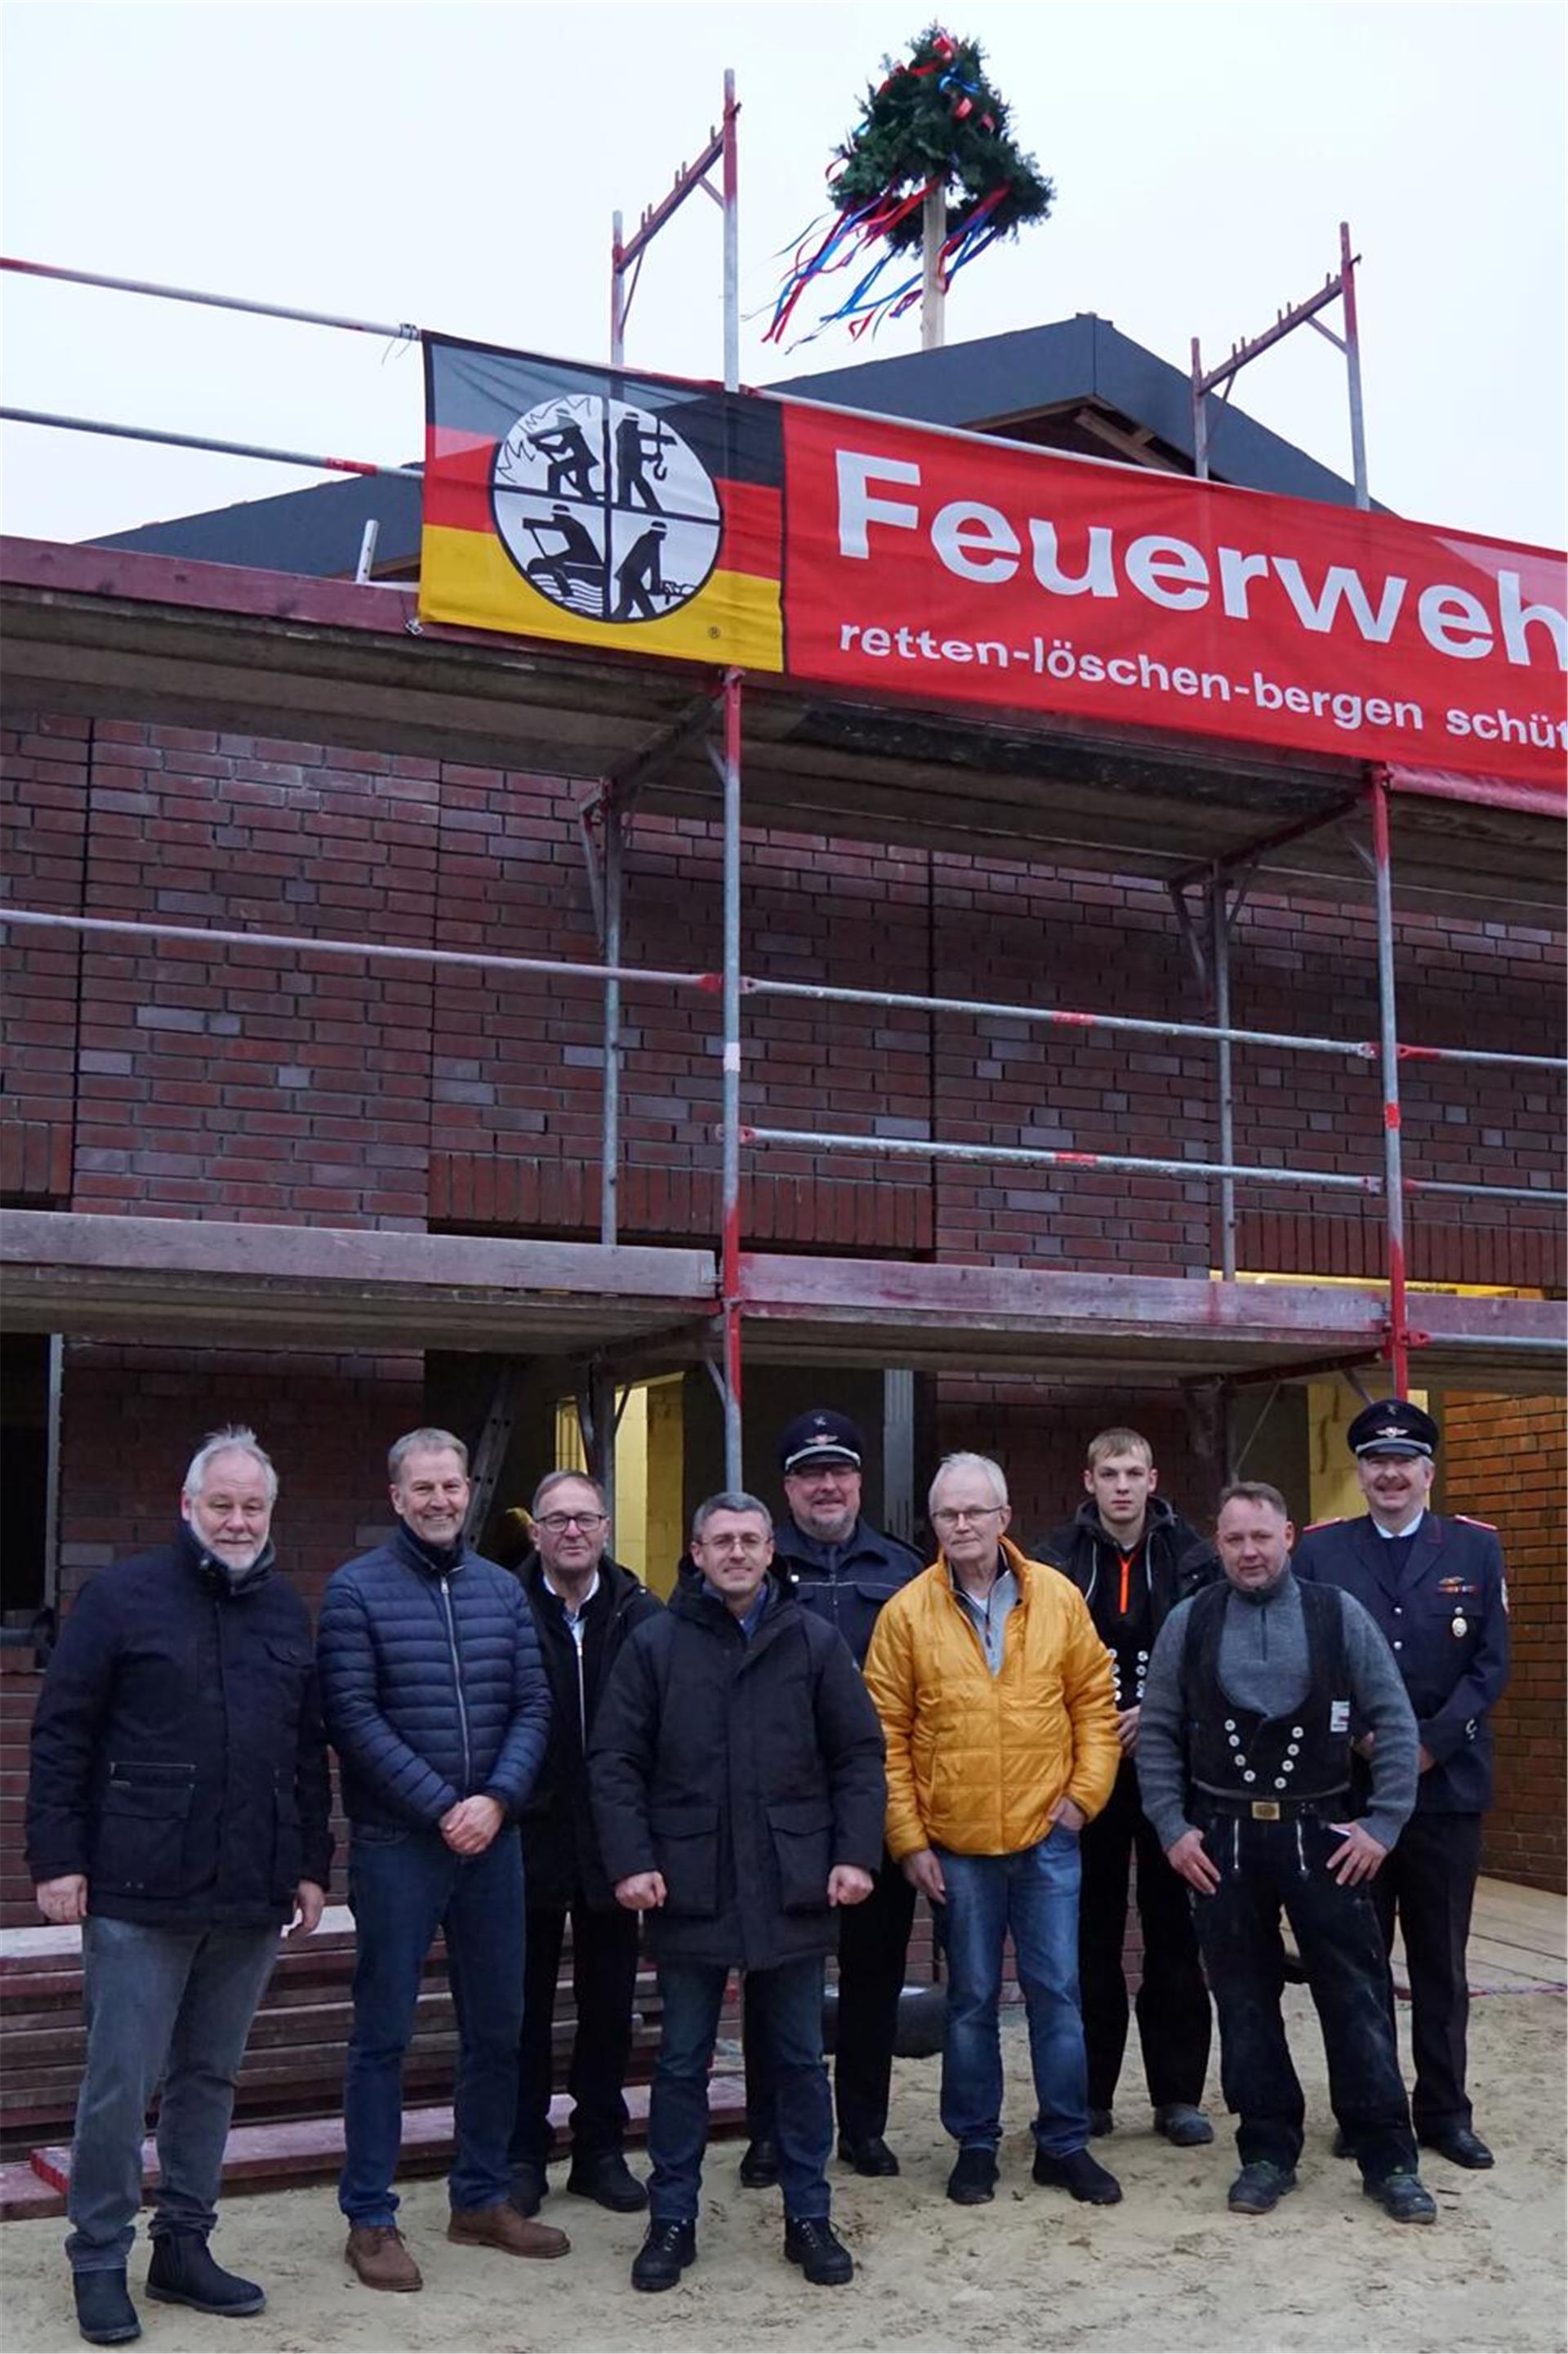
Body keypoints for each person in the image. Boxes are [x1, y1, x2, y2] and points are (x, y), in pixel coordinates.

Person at [26, 1426, 332, 2348]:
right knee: (122, 2081)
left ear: (270, 1514)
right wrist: (57, 1860)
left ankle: (184, 2245)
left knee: (211, 2078)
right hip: (134, 1889)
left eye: (253, 1505)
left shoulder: (285, 1611)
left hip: (250, 1891)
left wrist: (313, 1862)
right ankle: (98, 2257)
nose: (237, 1518)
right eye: (221, 1502)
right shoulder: (119, 1598)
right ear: (187, 1506)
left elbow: (305, 1753)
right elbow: (61, 1735)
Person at [590, 1492, 886, 2294]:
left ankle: (809, 2215)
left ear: (769, 1548)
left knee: (795, 2060)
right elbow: (615, 1760)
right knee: (682, 2060)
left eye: (750, 1538)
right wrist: (631, 1859)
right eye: (721, 1539)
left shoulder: (814, 1641)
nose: (737, 1551)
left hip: (792, 1879)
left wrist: (856, 1853)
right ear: (696, 1549)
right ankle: (672, 2217)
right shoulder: (654, 1643)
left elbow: (860, 1755)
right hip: (689, 1881)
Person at [1136, 1481, 1437, 2223]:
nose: (1247, 1552)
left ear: (1288, 1537)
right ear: (1220, 1542)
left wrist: (1385, 1823)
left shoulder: (1339, 1616)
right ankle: (1267, 2150)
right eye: (1234, 1539)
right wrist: (1172, 1829)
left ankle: (1387, 2156)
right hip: (1223, 1838)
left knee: (1357, 1996)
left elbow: (1395, 1720)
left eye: (1260, 1538)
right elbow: (1157, 1732)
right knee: (1242, 2002)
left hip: (1324, 1835)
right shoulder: (1190, 1621)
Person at [318, 1428, 564, 2292]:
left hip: (493, 1841)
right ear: (395, 1496)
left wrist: (494, 1800)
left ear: (470, 1490)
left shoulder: (504, 1591)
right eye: (421, 1487)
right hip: (399, 1844)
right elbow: (351, 1715)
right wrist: (441, 1804)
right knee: (383, 2033)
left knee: (497, 2027)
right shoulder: (355, 1591)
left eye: (451, 1485)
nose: (439, 1499)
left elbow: (535, 1703)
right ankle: (371, 2216)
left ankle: (480, 2195)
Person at [864, 1451, 1122, 2209]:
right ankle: (975, 2144)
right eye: (948, 1514)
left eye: (976, 1511)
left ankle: (1064, 2143)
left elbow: (1094, 1707)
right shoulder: (905, 1614)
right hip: (957, 1847)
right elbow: (885, 1736)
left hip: (1049, 1839)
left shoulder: (1059, 1599)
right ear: (934, 1524)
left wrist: (1082, 1799)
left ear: (1005, 1518)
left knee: (1058, 1994)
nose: (963, 1525)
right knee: (971, 2001)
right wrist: (908, 1840)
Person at [1294, 1398, 1510, 2170]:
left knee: (1440, 1963)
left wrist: (1429, 1745)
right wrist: (1362, 1741)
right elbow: (1311, 1658)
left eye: (1404, 1461)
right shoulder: (1321, 1552)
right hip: (1352, 1790)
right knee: (1359, 1959)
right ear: (1360, 1473)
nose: (1390, 1474)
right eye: (1375, 1461)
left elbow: (1490, 1665)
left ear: (1427, 1471)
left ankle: (1445, 2113)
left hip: (1446, 1790)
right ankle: (1367, 2110)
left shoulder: (1477, 1549)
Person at [737, 1409, 922, 2188]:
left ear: (859, 1481)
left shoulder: (907, 1570)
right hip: (781, 1816)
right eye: (810, 1474)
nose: (827, 1486)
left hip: (875, 1804)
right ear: (787, 1488)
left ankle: (865, 2129)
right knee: (777, 1979)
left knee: (874, 1975)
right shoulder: (755, 1568)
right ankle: (771, 2134)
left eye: (839, 1471)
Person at [1038, 1427, 1214, 2147]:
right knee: (1090, 1936)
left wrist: (1166, 1710)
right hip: (1087, 1765)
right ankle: (1090, 2095)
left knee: (1175, 1935)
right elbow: (1035, 1654)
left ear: (1152, 1478)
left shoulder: (1194, 1556)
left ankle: (1177, 2095)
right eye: (1107, 1472)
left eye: (1132, 1473)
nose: (1120, 1486)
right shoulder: (1055, 1559)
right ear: (1088, 1481)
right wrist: (1094, 1721)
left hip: (1172, 1766)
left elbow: (1213, 1647)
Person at [507, 1469, 661, 2218]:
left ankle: (600, 2147)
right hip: (526, 1835)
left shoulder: (643, 1614)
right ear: (534, 1531)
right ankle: (520, 2153)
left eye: (585, 1518)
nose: (572, 1531)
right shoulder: (500, 1608)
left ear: (606, 1528)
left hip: (614, 1840)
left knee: (609, 2003)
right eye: (557, 1519)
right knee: (522, 2005)